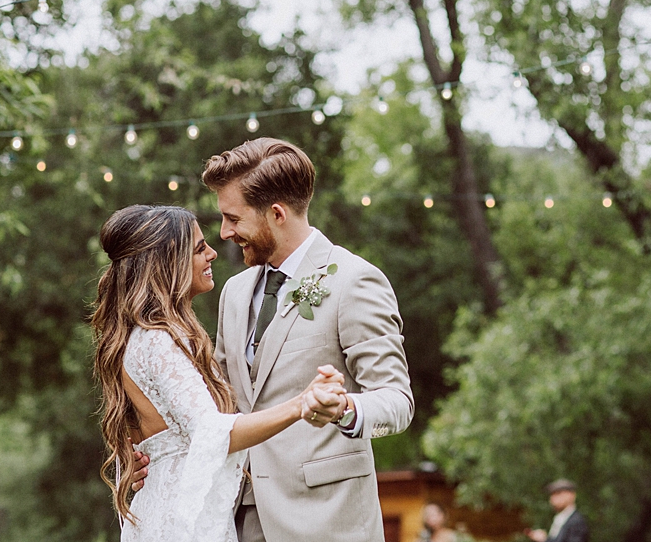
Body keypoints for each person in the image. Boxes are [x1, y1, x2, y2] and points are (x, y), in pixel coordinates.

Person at [131, 137, 414, 541]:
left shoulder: (354, 281)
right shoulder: (234, 292)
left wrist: (345, 408)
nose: (226, 233)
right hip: (241, 519)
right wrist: (151, 454)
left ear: (277, 214)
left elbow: (397, 402)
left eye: (233, 218)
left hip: (327, 522)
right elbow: (218, 403)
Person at [91, 204, 346, 542]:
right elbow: (212, 432)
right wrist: (302, 403)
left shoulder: (157, 336)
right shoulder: (156, 340)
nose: (212, 253)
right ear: (169, 262)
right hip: (181, 524)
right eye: (199, 249)